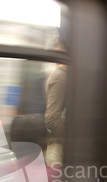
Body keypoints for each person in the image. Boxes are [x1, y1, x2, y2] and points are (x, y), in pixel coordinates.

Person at [44, 39, 67, 167]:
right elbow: (51, 118)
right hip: (59, 149)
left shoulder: (61, 75)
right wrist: (69, 140)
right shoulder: (61, 76)